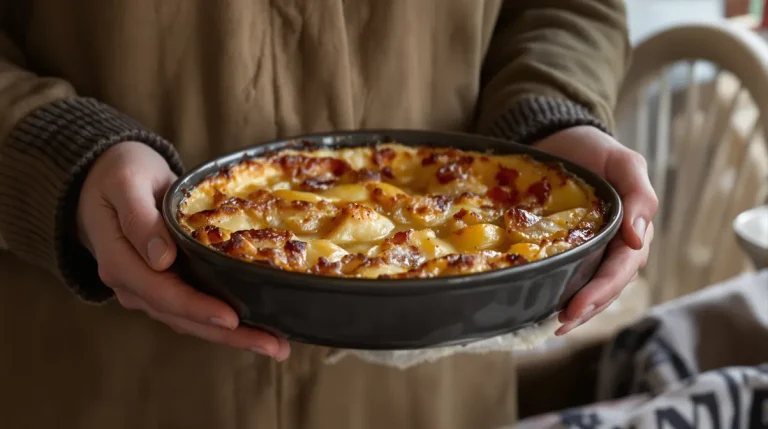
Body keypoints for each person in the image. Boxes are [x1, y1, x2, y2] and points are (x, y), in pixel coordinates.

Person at [0, 1, 657, 428]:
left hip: (434, 376)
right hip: (107, 369)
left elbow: (565, 9)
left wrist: (542, 118)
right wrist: (65, 151)